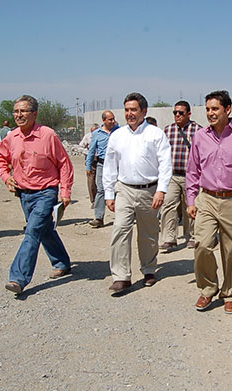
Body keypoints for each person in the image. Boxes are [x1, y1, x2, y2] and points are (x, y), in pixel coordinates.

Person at [186, 90, 232, 315]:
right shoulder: (200, 136)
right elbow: (193, 170)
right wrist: (191, 199)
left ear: (227, 109)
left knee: (231, 250)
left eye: (215, 109)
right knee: (203, 245)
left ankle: (230, 293)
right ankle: (208, 288)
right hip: (206, 198)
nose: (210, 113)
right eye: (208, 109)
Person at [0, 95, 74, 294]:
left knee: (32, 232)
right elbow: (0, 158)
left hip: (46, 192)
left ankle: (18, 278)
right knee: (44, 230)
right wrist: (6, 177)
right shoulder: (12, 137)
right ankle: (62, 262)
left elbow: (64, 163)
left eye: (23, 111)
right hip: (24, 194)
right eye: (16, 112)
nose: (19, 115)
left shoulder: (48, 135)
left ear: (35, 114)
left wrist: (65, 191)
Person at [103, 93, 172, 294]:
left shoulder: (156, 134)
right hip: (124, 189)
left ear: (144, 111)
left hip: (149, 191)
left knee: (148, 234)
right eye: (126, 110)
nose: (130, 114)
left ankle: (149, 269)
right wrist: (109, 193)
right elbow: (110, 166)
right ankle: (121, 277)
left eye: (134, 110)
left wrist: (161, 190)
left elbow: (165, 164)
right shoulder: (117, 135)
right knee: (120, 231)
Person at [160, 101, 202, 251]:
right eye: (175, 112)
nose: (177, 115)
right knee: (168, 205)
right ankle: (169, 238)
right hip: (172, 176)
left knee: (190, 207)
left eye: (181, 113)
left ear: (189, 114)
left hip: (191, 177)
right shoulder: (168, 130)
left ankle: (192, 236)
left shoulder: (198, 131)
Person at [87, 111, 117, 228]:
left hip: (116, 164)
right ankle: (99, 218)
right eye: (110, 119)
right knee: (101, 189)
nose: (112, 121)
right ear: (104, 120)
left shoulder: (119, 131)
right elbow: (91, 150)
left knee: (118, 189)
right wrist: (88, 166)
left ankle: (121, 216)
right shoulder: (97, 134)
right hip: (102, 164)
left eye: (113, 119)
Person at [79, 123, 99, 207]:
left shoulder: (102, 136)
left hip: (101, 160)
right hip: (91, 161)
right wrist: (89, 153)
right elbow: (80, 147)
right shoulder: (87, 137)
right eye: (92, 132)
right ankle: (93, 200)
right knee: (91, 181)